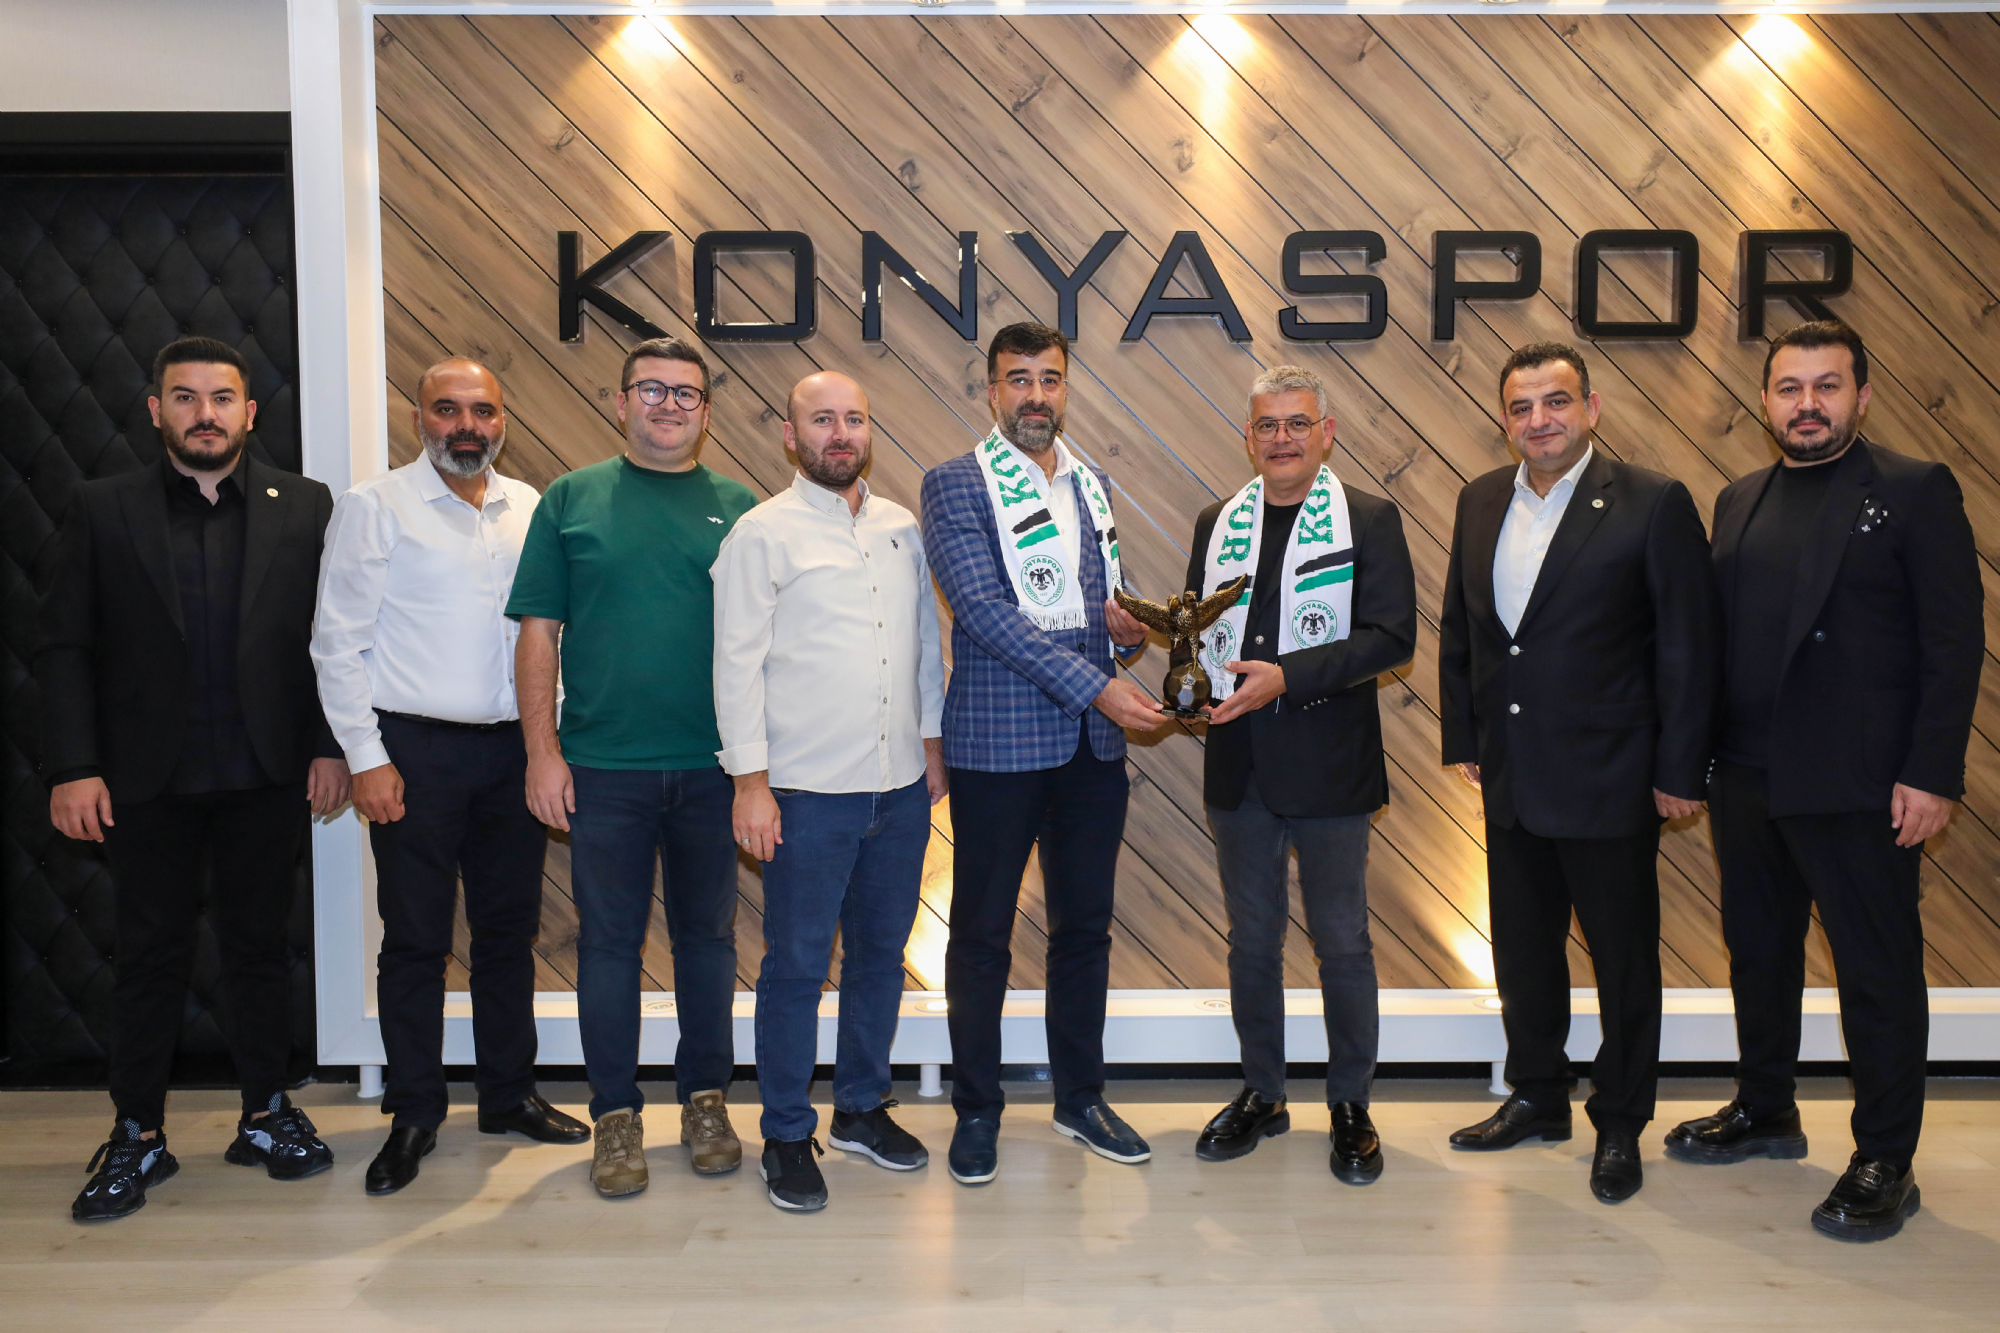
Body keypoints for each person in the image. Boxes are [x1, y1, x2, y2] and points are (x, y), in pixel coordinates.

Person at [1666, 320, 1981, 1242]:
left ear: (1862, 396)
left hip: (1861, 783)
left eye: (1827, 385)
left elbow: (1954, 642)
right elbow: (1715, 644)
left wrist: (1932, 771)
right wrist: (1691, 762)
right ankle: (1766, 1107)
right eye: (1790, 387)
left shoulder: (1915, 491)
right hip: (1746, 776)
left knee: (1877, 973)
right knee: (1758, 954)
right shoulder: (1740, 497)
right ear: (1766, 400)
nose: (1807, 404)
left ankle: (1886, 1155)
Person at [42, 336, 350, 1222]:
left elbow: (331, 639)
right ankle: (137, 1131)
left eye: (220, 398)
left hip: (266, 772)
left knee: (260, 949)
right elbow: (65, 646)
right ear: (156, 410)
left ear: (249, 412)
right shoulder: (102, 506)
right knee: (150, 956)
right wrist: (74, 766)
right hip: (144, 780)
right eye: (185, 397)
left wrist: (329, 745)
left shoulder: (307, 505)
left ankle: (266, 1112)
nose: (204, 414)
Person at [1439, 341, 1718, 1205]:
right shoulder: (1480, 498)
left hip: (1614, 777)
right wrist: (1465, 736)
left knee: (1623, 963)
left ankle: (1621, 1120)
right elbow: (1464, 628)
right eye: (1522, 407)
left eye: (1556, 402)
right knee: (1523, 950)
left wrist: (1681, 767)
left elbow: (1689, 646)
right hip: (1512, 774)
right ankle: (1537, 1093)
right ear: (1505, 420)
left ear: (1590, 408)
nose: (1539, 420)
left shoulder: (1653, 501)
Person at [312, 358, 589, 1197]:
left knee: (508, 933)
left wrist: (550, 744)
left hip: (514, 752)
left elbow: (553, 634)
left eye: (482, 410)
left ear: (502, 420)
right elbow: (336, 642)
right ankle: (415, 1111)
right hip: (413, 754)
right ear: (419, 418)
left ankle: (507, 1095)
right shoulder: (375, 507)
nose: (466, 425)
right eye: (447, 409)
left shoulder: (531, 507)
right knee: (416, 941)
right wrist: (367, 757)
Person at [507, 335, 757, 1198]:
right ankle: (616, 1113)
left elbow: (766, 642)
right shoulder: (570, 499)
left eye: (686, 393)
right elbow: (538, 633)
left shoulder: (740, 508)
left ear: (706, 412)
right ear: (621, 403)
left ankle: (706, 1101)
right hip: (602, 769)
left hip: (714, 769)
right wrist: (542, 751)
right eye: (652, 389)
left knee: (708, 943)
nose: (668, 405)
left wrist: (757, 770)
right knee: (608, 945)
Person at [919, 321, 1164, 1186]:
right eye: (1018, 379)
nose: (1035, 395)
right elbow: (985, 613)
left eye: (1049, 379)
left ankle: (1080, 1097)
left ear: (1065, 389)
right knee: (981, 933)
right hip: (1000, 742)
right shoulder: (954, 483)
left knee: (1084, 930)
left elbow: (1094, 607)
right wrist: (1099, 686)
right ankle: (977, 1108)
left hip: (1091, 748)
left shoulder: (1092, 484)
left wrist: (1127, 635)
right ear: (992, 391)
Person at [711, 371, 948, 1212]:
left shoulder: (900, 528)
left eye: (853, 418)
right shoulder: (761, 534)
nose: (840, 433)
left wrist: (931, 745)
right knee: (798, 966)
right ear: (791, 434)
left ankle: (859, 1107)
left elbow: (924, 645)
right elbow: (734, 664)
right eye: (822, 419)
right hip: (805, 793)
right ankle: (785, 1130)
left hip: (899, 788)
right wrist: (750, 782)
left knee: (881, 956)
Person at [1178, 366, 1416, 1183]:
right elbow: (1198, 626)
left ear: (1326, 432)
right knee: (1252, 940)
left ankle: (1350, 1102)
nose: (1282, 438)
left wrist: (1291, 675)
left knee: (1342, 940)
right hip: (1239, 764)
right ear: (1248, 437)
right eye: (1267, 425)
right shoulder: (1217, 521)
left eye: (1297, 423)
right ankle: (1264, 1091)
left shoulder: (1369, 519)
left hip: (1330, 766)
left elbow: (1392, 635)